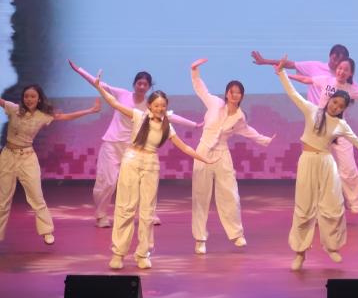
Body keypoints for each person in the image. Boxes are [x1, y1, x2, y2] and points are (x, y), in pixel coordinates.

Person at [272, 57, 358, 271]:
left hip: (326, 164)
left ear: (344, 109)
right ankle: (300, 252)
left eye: (340, 106)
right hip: (308, 161)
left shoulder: (341, 125)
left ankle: (332, 246)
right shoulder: (312, 111)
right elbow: (293, 94)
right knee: (304, 207)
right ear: (330, 99)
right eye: (335, 102)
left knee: (333, 206)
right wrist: (281, 73)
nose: (336, 107)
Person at [90, 74, 214, 269]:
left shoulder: (167, 126)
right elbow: (114, 103)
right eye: (156, 105)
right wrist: (99, 87)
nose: (160, 108)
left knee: (147, 211)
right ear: (149, 106)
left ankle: (143, 254)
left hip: (151, 165)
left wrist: (205, 159)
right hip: (131, 161)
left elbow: (184, 147)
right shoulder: (139, 116)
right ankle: (119, 253)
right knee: (126, 208)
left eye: (163, 105)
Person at [69, 60, 201, 227]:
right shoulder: (122, 94)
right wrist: (79, 70)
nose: (142, 86)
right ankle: (101, 215)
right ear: (134, 84)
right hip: (112, 144)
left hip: (133, 148)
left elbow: (169, 116)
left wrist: (194, 125)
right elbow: (99, 84)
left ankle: (149, 214)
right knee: (107, 181)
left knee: (140, 181)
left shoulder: (150, 105)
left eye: (145, 84)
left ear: (149, 87)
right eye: (139, 83)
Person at [190, 58, 274, 254]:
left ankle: (236, 234)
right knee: (200, 196)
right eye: (232, 91)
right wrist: (194, 70)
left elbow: (248, 131)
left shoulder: (239, 116)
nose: (234, 94)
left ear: (242, 96)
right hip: (203, 152)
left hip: (222, 154)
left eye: (238, 92)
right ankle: (200, 239)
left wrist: (265, 140)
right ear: (227, 93)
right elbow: (201, 88)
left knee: (230, 194)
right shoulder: (214, 103)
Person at [0, 85, 99, 244]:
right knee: (3, 199)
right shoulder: (14, 109)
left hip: (27, 158)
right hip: (7, 156)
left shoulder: (43, 115)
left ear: (39, 99)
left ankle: (46, 231)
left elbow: (67, 117)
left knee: (36, 196)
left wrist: (90, 110)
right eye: (26, 96)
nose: (29, 99)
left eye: (33, 96)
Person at [290, 57, 358, 213]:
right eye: (340, 68)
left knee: (348, 168)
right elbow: (306, 79)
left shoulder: (351, 88)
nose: (341, 71)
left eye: (346, 70)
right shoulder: (326, 80)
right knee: (319, 168)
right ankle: (317, 206)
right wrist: (286, 74)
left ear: (350, 73)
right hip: (320, 128)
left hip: (339, 129)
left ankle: (355, 202)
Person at [250, 44, 349, 101]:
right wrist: (265, 61)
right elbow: (290, 64)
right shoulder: (315, 66)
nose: (336, 63)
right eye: (334, 58)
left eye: (340, 60)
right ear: (330, 55)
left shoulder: (344, 78)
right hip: (314, 116)